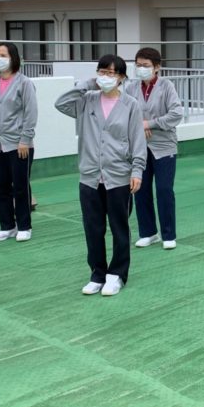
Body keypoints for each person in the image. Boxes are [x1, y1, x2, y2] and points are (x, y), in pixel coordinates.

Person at [55, 55, 145, 296]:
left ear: (122, 77)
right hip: (90, 176)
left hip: (119, 175)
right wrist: (88, 83)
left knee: (119, 227)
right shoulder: (87, 100)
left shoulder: (130, 105)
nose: (105, 77)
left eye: (111, 73)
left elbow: (138, 140)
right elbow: (61, 103)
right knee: (93, 228)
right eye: (101, 72)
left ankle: (117, 274)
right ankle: (97, 273)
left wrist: (137, 170)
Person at [124, 47, 183, 250]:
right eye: (138, 65)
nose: (141, 69)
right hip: (139, 146)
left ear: (157, 67)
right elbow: (125, 112)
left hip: (164, 146)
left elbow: (176, 114)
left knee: (164, 190)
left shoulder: (167, 86)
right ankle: (148, 232)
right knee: (140, 190)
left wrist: (149, 124)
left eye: (146, 65)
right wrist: (139, 125)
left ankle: (168, 234)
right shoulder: (131, 88)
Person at [0, 41, 38, 242]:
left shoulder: (24, 83)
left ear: (13, 58)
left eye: (3, 55)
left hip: (19, 144)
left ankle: (24, 226)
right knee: (0, 187)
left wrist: (25, 140)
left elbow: (31, 113)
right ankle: (7, 226)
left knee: (20, 186)